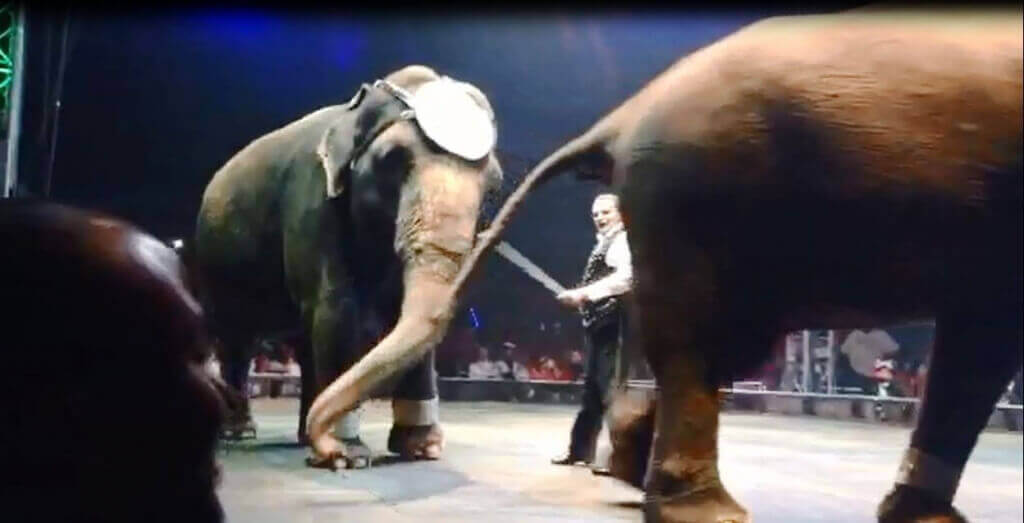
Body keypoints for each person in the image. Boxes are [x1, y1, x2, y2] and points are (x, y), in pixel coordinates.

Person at [551, 193, 633, 473]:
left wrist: (584, 294)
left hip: (616, 324)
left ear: (620, 214)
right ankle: (580, 451)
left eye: (606, 212)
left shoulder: (622, 241)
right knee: (592, 391)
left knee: (609, 390)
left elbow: (626, 278)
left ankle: (620, 457)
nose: (599, 218)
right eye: (596, 214)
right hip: (600, 324)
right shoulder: (605, 242)